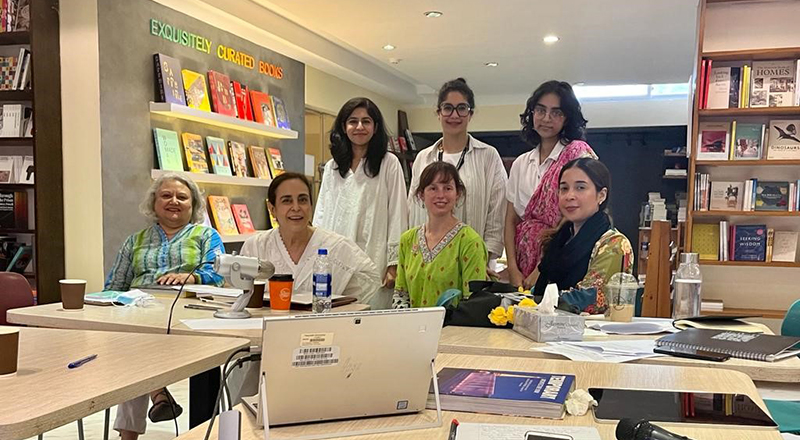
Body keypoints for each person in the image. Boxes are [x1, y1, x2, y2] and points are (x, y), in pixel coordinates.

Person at [105, 173, 225, 440]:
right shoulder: (134, 241)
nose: (174, 201)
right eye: (166, 195)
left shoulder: (206, 235)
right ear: (154, 203)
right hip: (140, 313)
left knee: (135, 348)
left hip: (186, 316)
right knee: (133, 342)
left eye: (182, 197)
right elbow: (115, 284)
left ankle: (144, 414)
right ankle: (158, 393)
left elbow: (220, 275)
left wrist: (191, 277)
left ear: (193, 205)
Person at [313, 97, 407, 309]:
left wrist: (394, 264)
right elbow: (321, 214)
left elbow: (398, 213)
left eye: (366, 121)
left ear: (375, 128)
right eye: (353, 121)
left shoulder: (388, 163)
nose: (359, 127)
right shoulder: (333, 167)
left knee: (371, 322)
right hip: (337, 259)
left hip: (375, 257)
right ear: (344, 127)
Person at [506, 80, 597, 289]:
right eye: (540, 110)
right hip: (522, 263)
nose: (547, 118)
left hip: (562, 258)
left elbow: (574, 216)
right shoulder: (521, 163)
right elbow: (510, 219)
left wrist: (542, 268)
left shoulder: (577, 155)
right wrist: (512, 267)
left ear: (567, 118)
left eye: (556, 113)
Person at [407, 78, 507, 265]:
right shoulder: (423, 158)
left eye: (462, 108)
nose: (454, 115)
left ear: (470, 114)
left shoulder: (488, 156)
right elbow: (414, 210)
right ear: (438, 113)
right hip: (427, 261)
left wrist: (484, 258)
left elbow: (497, 213)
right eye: (447, 108)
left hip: (475, 263)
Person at [241, 172, 381, 300]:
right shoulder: (256, 247)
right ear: (272, 209)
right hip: (267, 326)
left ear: (311, 205)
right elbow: (241, 294)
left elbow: (369, 278)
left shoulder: (336, 246)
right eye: (287, 201)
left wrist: (338, 307)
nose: (296, 208)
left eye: (302, 200)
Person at [532, 158, 633, 314]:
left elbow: (591, 300)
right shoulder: (559, 240)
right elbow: (540, 290)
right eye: (564, 189)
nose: (569, 196)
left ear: (601, 195)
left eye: (580, 188)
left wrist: (535, 302)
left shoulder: (613, 244)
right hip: (549, 327)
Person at [393, 162, 488, 308]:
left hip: (454, 328)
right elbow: (401, 295)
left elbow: (473, 302)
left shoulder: (470, 241)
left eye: (447, 188)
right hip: (412, 327)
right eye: (433, 188)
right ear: (421, 194)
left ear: (458, 194)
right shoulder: (408, 240)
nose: (441, 195)